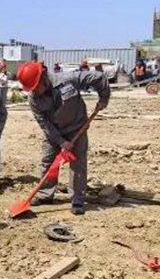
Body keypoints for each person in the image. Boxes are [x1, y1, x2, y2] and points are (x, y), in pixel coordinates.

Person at [17, 61, 110, 215]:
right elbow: (44, 124)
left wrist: (104, 99)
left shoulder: (69, 79)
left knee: (77, 164)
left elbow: (99, 78)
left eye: (36, 87)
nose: (35, 91)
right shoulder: (33, 99)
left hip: (76, 128)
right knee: (48, 161)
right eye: (31, 89)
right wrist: (61, 142)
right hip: (54, 132)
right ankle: (45, 195)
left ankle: (77, 200)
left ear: (43, 78)